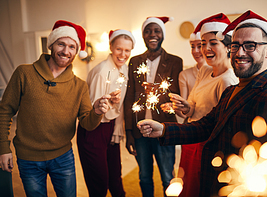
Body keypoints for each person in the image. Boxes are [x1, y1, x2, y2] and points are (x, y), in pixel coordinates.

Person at [137, 10, 267, 197]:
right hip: (211, 182)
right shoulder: (232, 91)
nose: (240, 52)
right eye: (235, 45)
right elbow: (206, 126)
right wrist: (164, 129)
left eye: (250, 45)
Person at [0, 20, 112, 197]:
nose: (66, 51)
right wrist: (3, 148)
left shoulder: (79, 86)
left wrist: (96, 112)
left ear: (76, 51)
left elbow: (87, 124)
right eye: (61, 44)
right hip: (28, 158)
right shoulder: (24, 73)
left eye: (72, 47)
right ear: (51, 45)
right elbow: (4, 111)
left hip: (63, 157)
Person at [163, 13, 238, 197]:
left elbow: (220, 124)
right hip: (191, 139)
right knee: (185, 184)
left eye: (213, 43)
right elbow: (194, 106)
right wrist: (184, 106)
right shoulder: (204, 71)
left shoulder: (228, 81)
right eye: (204, 43)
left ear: (228, 46)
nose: (206, 48)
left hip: (206, 144)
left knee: (199, 188)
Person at [124, 16, 183, 197]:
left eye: (156, 31)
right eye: (148, 31)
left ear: (162, 35)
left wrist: (157, 91)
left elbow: (176, 94)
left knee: (167, 176)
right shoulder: (134, 61)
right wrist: (129, 132)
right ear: (143, 35)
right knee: (144, 176)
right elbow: (129, 98)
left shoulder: (175, 61)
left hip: (165, 128)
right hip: (140, 130)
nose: (152, 35)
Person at [77, 29, 135, 197]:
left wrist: (118, 127)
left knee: (115, 175)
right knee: (99, 183)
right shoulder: (102, 72)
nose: (123, 54)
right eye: (119, 49)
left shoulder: (124, 69)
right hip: (93, 130)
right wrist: (108, 105)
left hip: (110, 126)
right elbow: (92, 113)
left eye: (127, 50)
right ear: (111, 47)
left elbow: (121, 102)